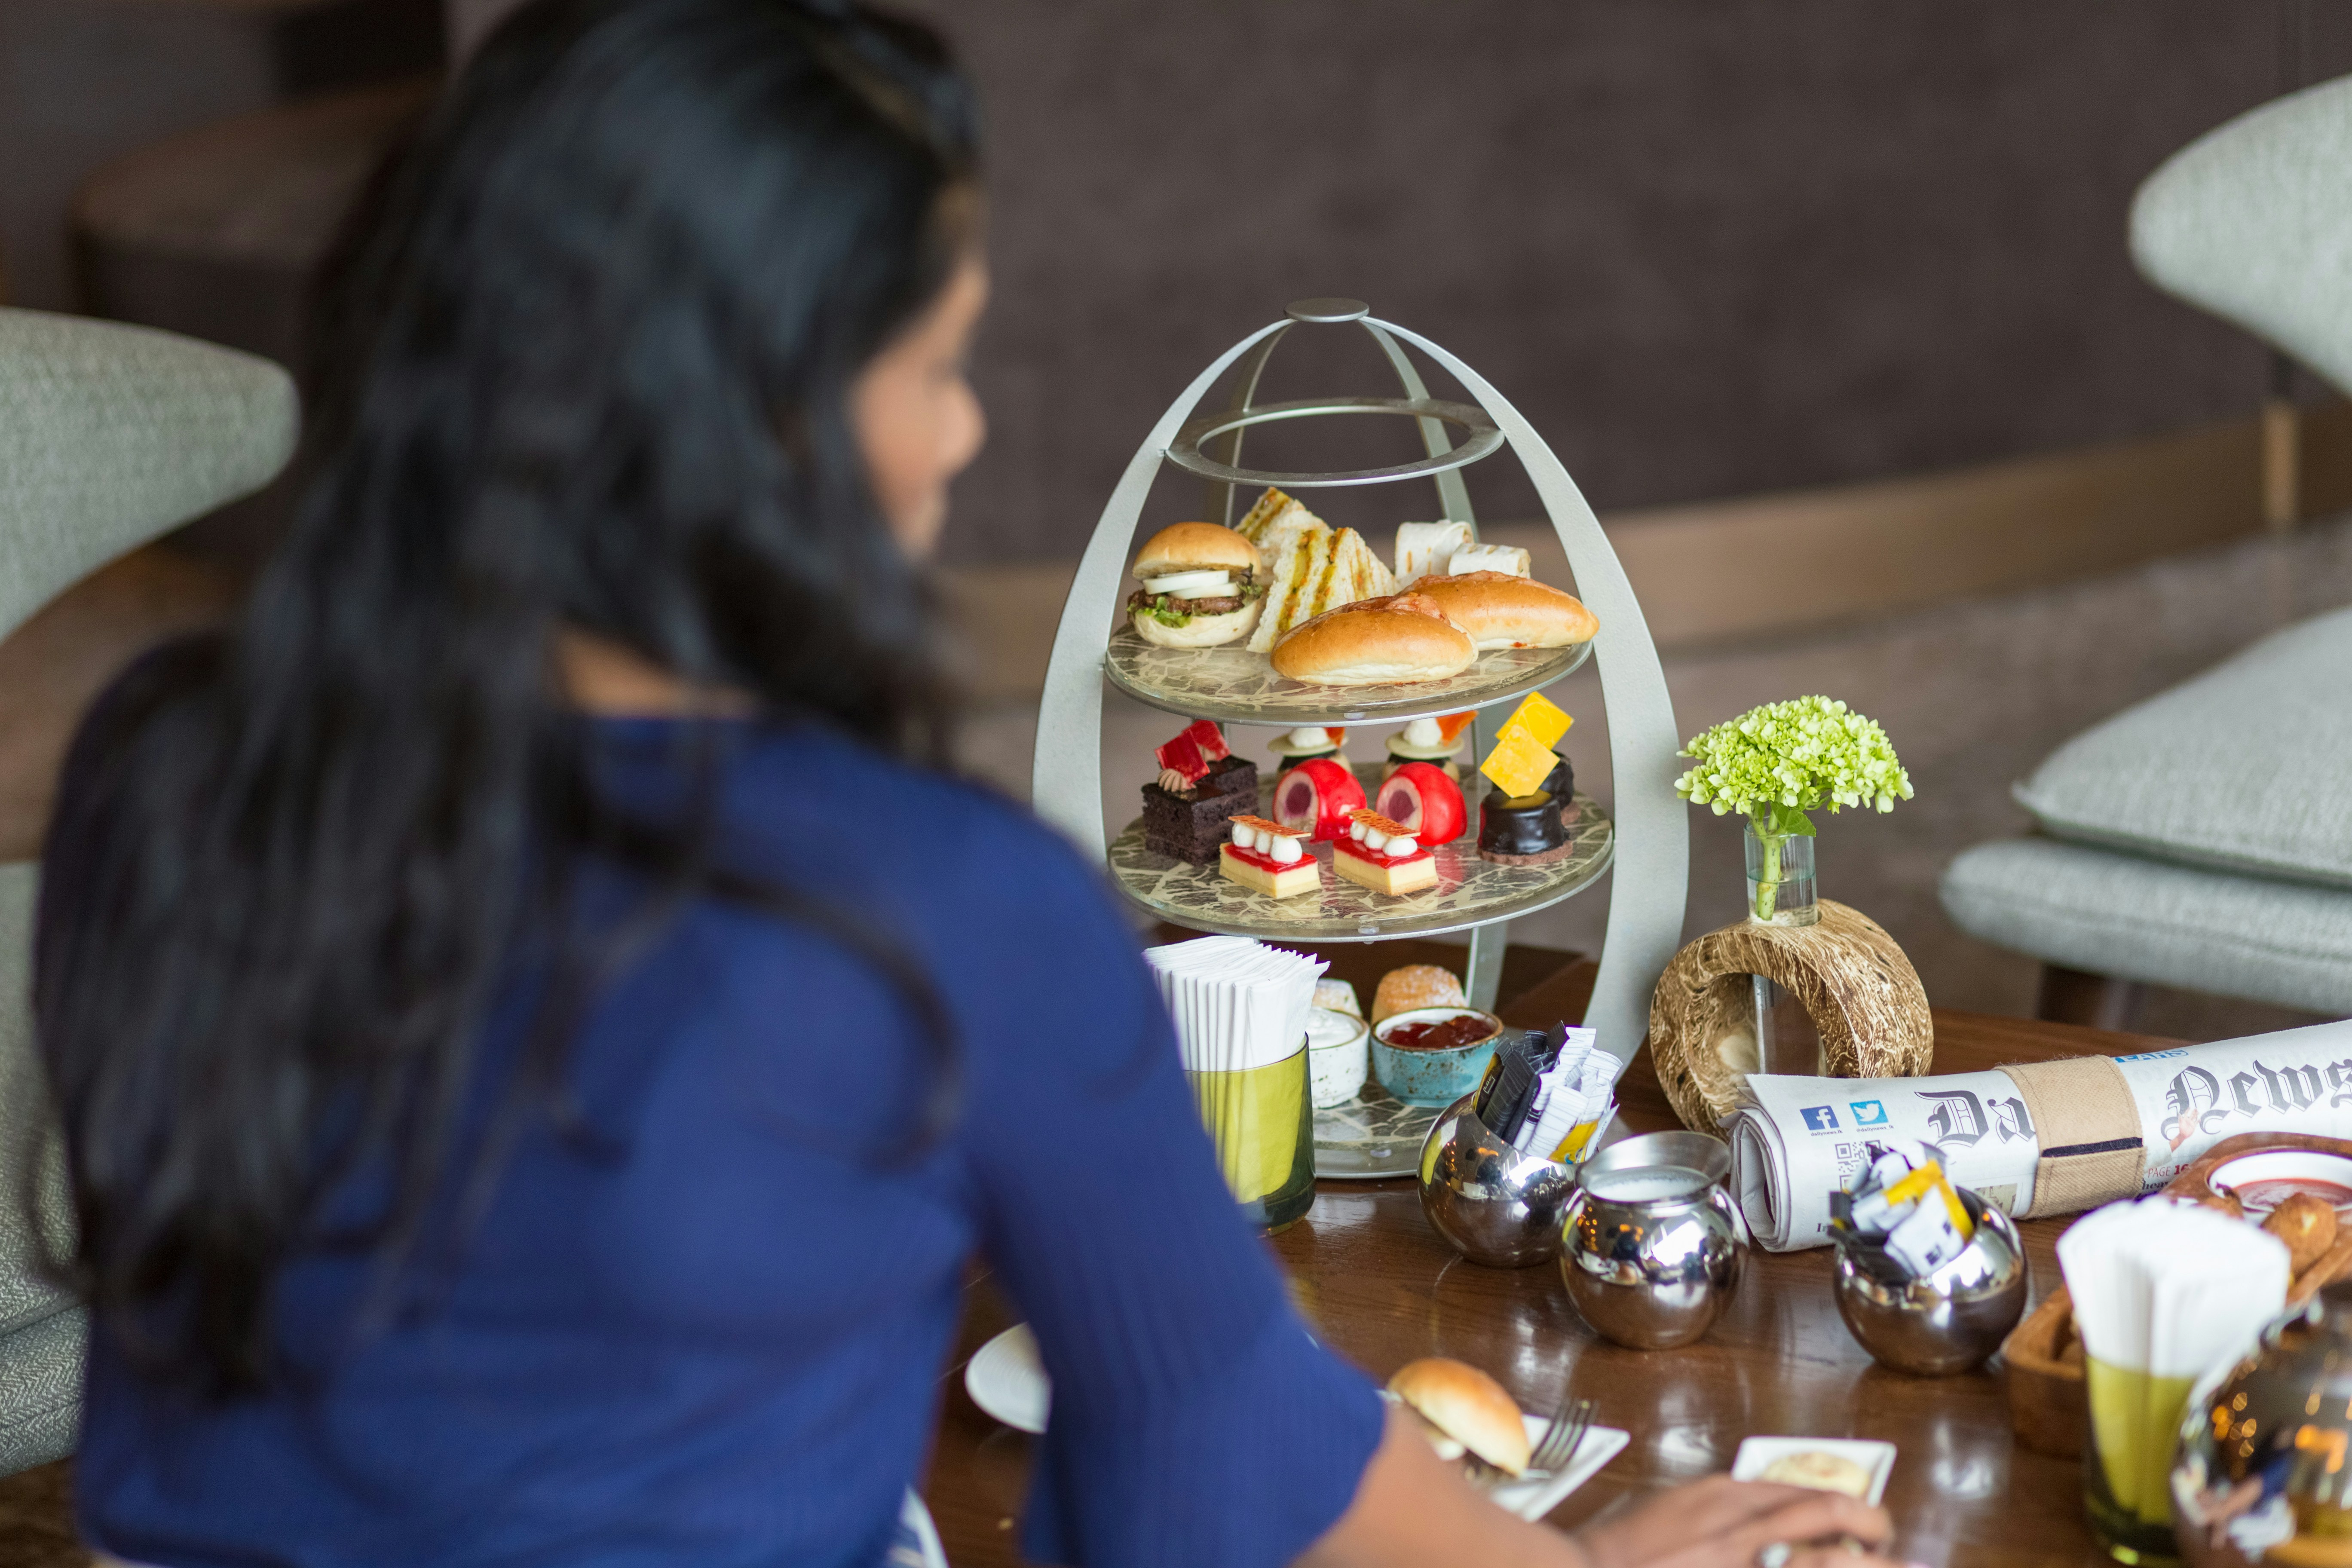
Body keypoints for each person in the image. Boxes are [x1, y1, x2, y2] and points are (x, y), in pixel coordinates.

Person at [32, 3, 1912, 1566]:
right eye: (930, 365)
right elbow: (1220, 1452)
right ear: (756, 427)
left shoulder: (170, 763)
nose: (965, 431)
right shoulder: (937, 899)